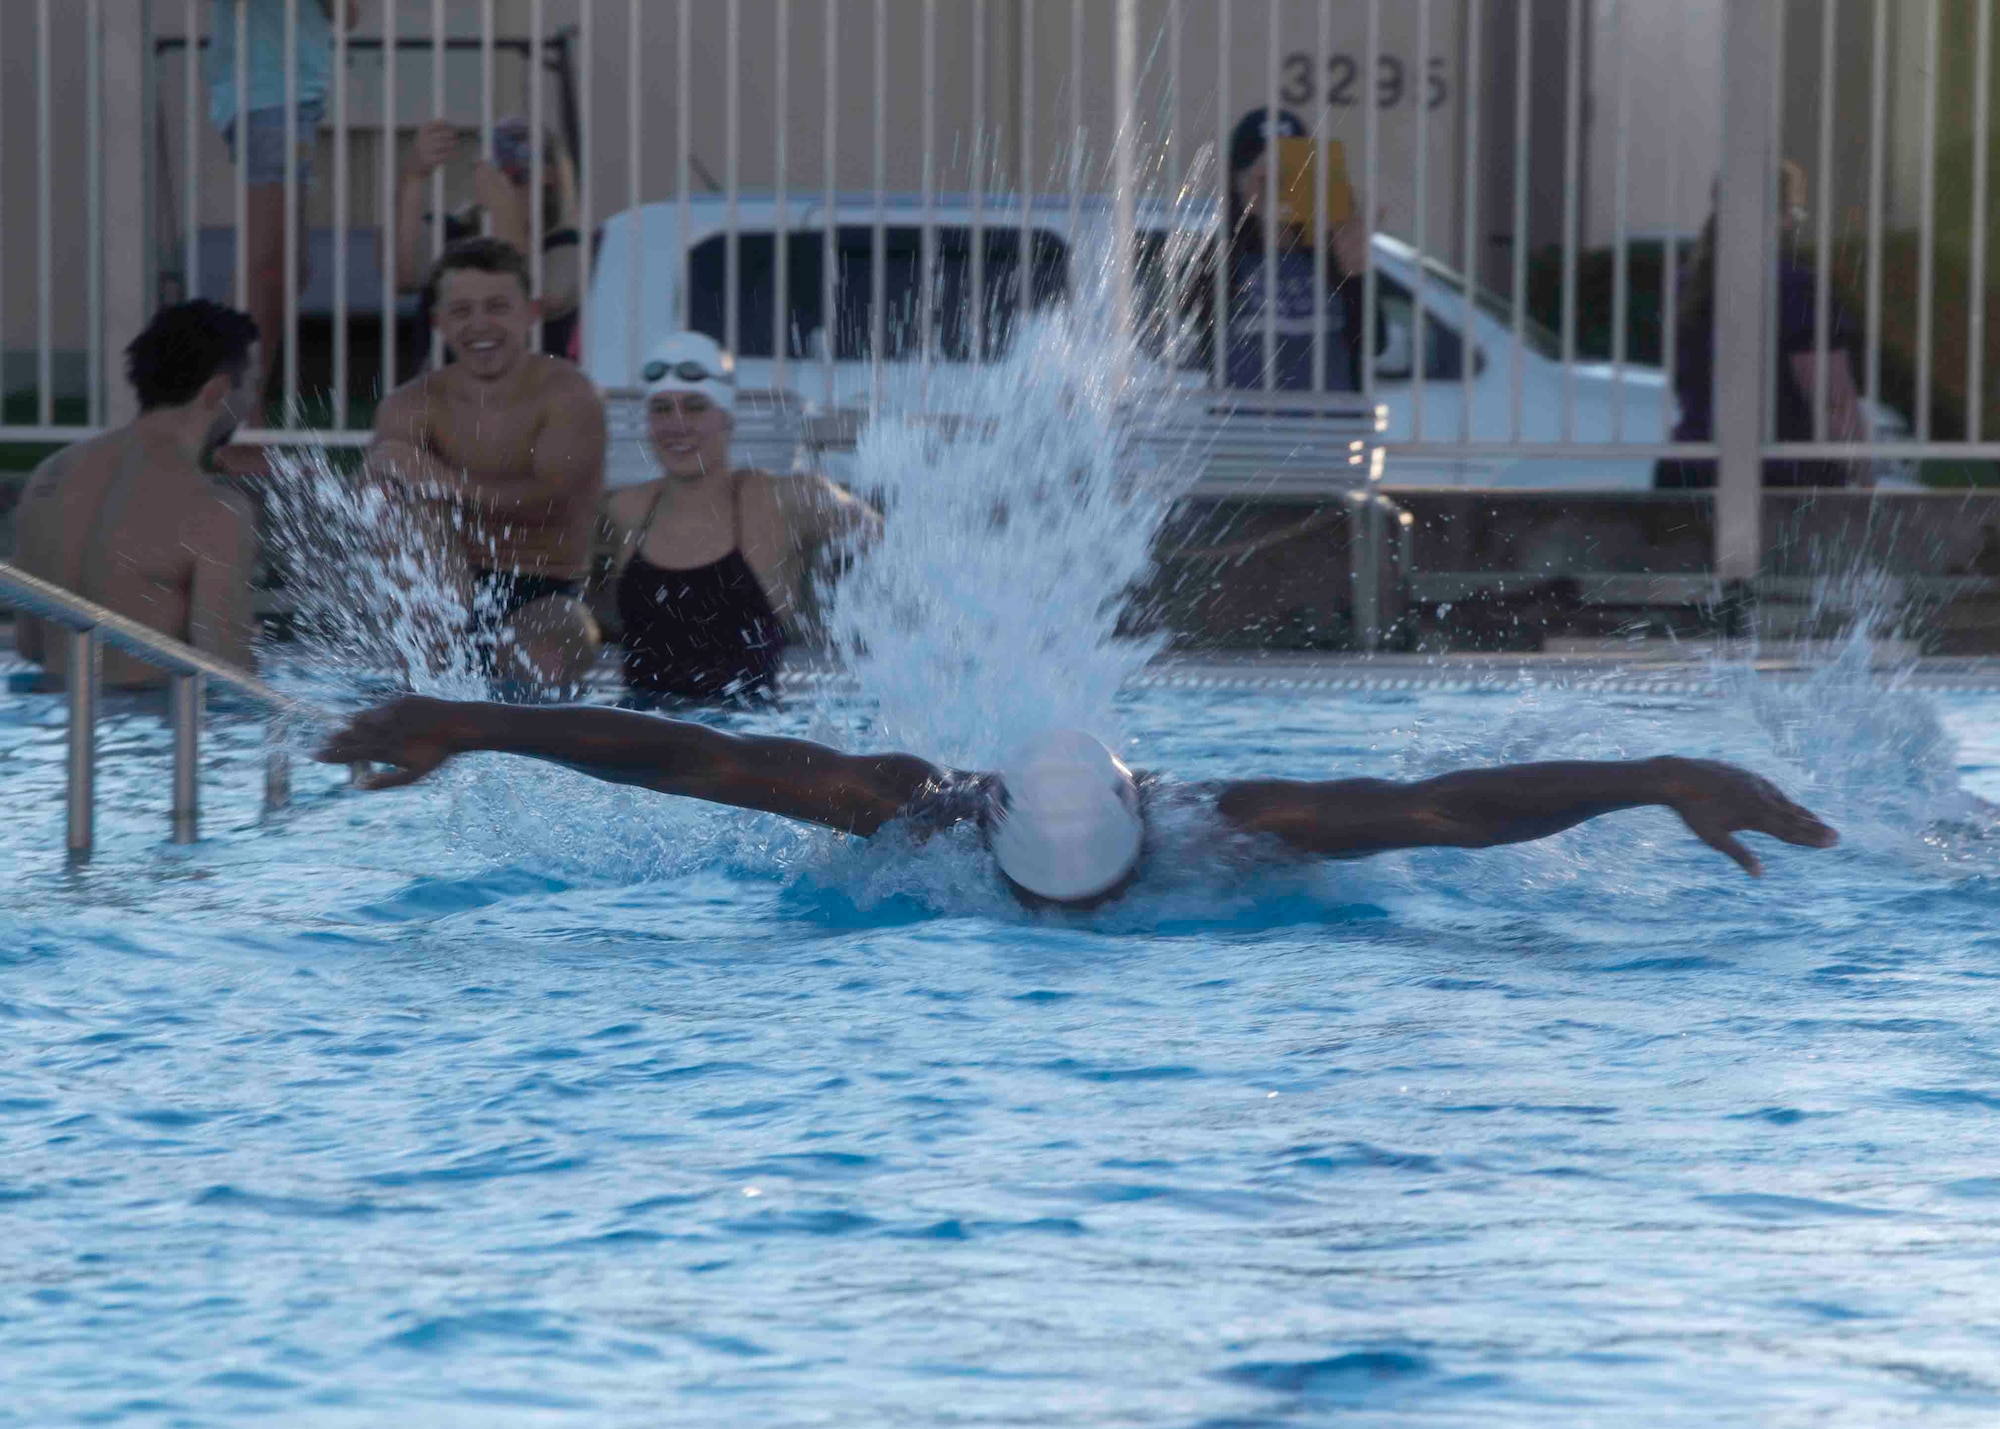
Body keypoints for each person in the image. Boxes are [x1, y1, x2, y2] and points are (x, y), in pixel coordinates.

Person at [316, 699, 1840, 908]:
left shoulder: (1230, 821)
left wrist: (1654, 776)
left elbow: (1442, 809)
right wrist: (470, 725)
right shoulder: (925, 813)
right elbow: (691, 758)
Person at [366, 237, 606, 687]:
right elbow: (377, 498)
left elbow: (553, 503)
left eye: (497, 307)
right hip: (447, 589)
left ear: (530, 313)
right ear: (439, 323)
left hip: (544, 590)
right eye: (461, 311)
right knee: (392, 504)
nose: (480, 325)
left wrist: (441, 481)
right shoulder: (411, 404)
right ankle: (429, 698)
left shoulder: (568, 395)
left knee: (550, 648)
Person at [603, 332, 877, 703]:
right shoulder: (627, 509)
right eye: (662, 408)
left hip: (742, 744)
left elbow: (894, 542)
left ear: (727, 418)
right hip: (638, 733)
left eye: (696, 406)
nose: (677, 424)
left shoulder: (781, 501)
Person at [14, 301, 261, 689]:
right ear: (217, 392)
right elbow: (230, 675)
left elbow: (29, 643)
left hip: (51, 720)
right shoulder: (214, 511)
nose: (250, 406)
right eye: (251, 386)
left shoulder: (50, 475)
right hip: (151, 730)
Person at [1656, 161, 1871, 489]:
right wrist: (1863, 474)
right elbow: (1832, 398)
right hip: (1780, 480)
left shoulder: (1687, 285)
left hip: (1691, 473)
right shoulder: (1794, 286)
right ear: (1782, 216)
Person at [207, 0, 359, 408]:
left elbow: (348, 14)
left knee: (292, 268)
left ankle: (218, 397)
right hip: (266, 96)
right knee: (270, 265)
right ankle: (237, 416)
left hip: (299, 98)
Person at [396, 117, 584, 363]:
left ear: (549, 178)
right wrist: (413, 177)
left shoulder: (568, 246)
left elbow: (526, 297)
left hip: (529, 394)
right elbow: (403, 276)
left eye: (517, 176)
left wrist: (502, 209)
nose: (501, 184)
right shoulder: (454, 232)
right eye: (493, 172)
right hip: (446, 391)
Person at [1214, 106, 1373, 393]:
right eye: (1265, 180)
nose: (1278, 188)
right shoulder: (1221, 258)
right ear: (1238, 182)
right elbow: (1198, 344)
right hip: (1244, 434)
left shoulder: (1333, 251)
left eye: (1287, 176)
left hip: (1329, 431)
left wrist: (1356, 278)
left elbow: (1374, 343)